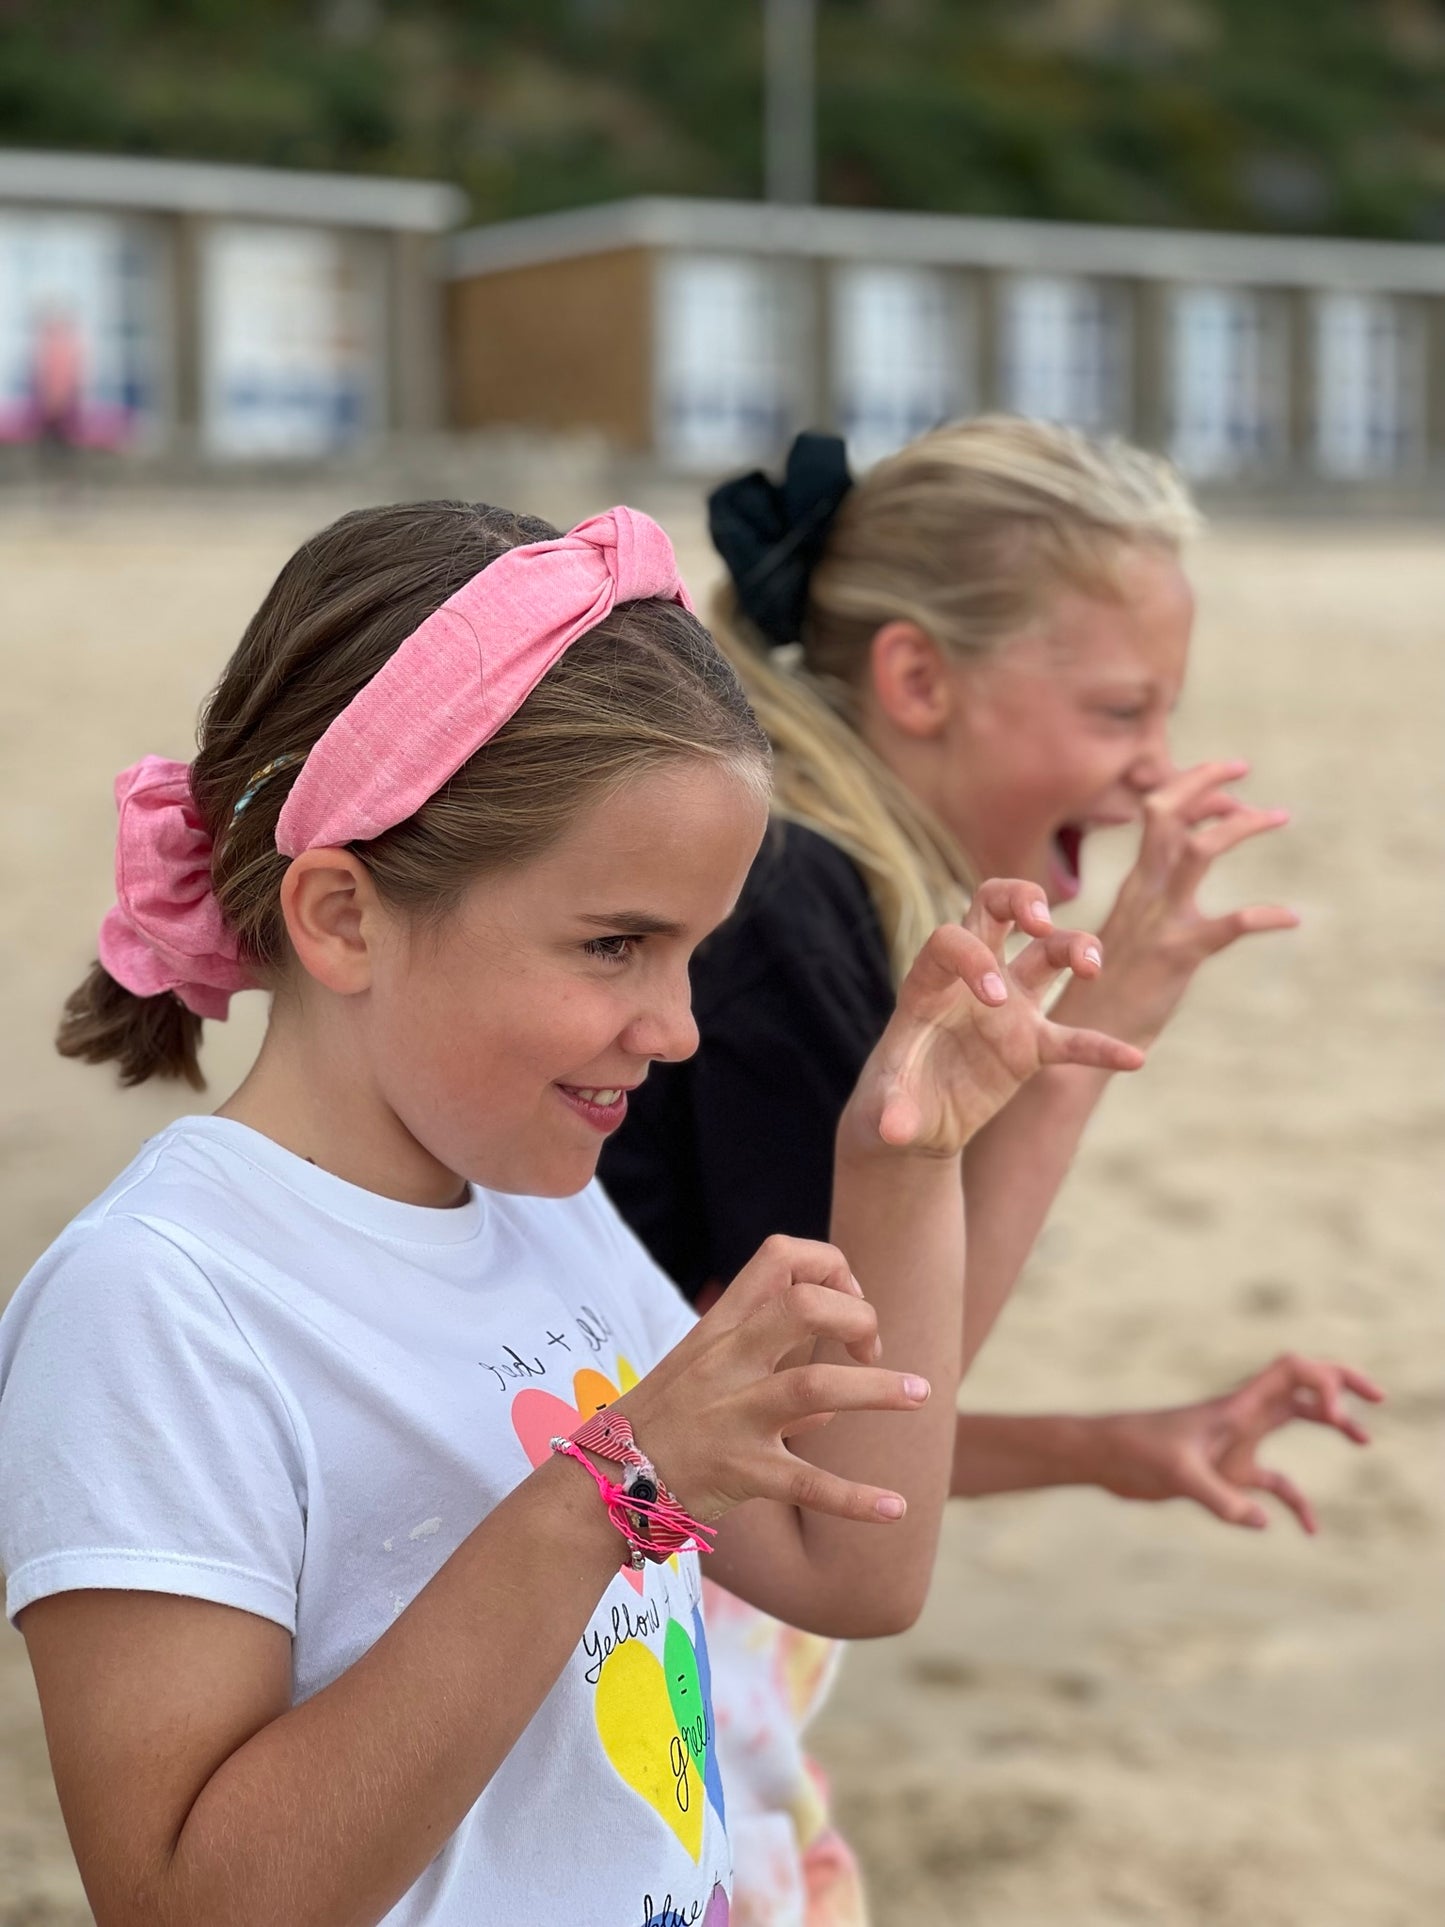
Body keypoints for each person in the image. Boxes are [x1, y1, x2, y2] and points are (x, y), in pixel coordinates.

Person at [0, 499, 1139, 1926]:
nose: (673, 1028)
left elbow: (853, 1566)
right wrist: (607, 1492)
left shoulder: (552, 1214)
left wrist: (901, 1165)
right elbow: (188, 1904)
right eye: (615, 945)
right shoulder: (161, 1300)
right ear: (342, 915)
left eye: (694, 955)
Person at [599, 421, 1383, 1925]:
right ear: (914, 680)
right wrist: (1117, 1008)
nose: (1154, 761)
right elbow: (843, 1443)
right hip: (615, 1642)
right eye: (1116, 708)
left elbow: (749, 1422)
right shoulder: (783, 909)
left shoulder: (806, 878)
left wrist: (1099, 1446)